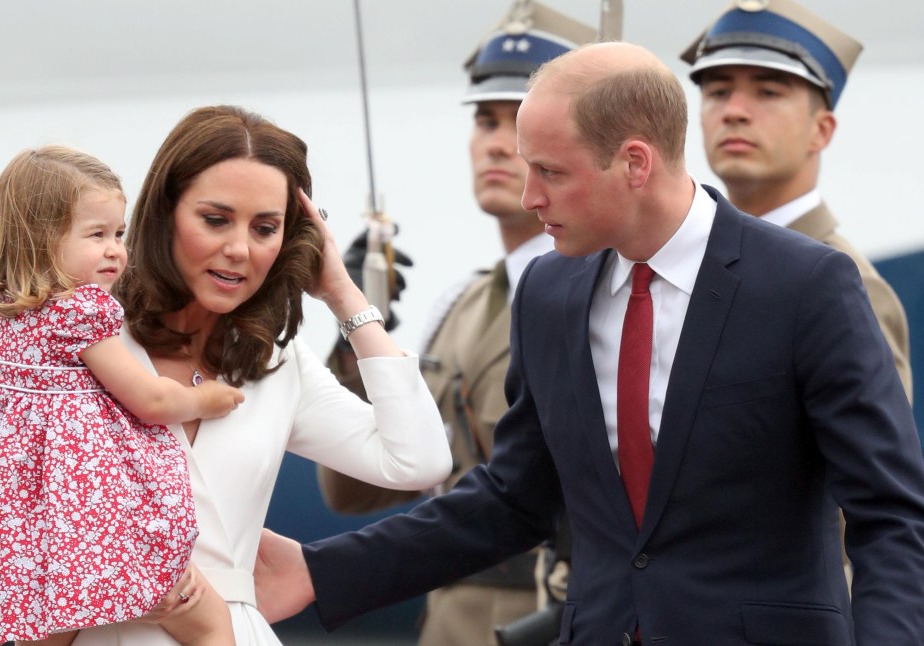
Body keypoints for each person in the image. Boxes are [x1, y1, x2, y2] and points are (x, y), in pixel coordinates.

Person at [253, 42, 924, 645]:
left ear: (634, 162)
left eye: (551, 171)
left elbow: (889, 512)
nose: (529, 195)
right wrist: (321, 570)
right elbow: (514, 499)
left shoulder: (807, 286)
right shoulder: (549, 292)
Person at [61, 104, 451, 645]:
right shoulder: (77, 341)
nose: (240, 249)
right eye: (215, 219)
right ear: (166, 214)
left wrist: (344, 295)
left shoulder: (276, 363)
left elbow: (418, 461)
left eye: (265, 228)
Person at [315, 3, 594, 644]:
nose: (498, 141)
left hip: (554, 615)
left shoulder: (608, 297)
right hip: (449, 619)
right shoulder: (459, 308)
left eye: (521, 121)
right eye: (485, 120)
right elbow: (356, 490)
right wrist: (358, 325)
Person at [0, 146, 245, 645]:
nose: (116, 249)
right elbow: (151, 401)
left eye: (119, 233)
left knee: (44, 633)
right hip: (95, 521)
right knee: (209, 623)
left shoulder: (3, 309)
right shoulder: (81, 312)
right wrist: (209, 400)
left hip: (30, 534)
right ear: (39, 240)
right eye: (96, 235)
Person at [681, 0, 912, 400]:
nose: (734, 111)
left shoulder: (849, 286)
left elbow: (874, 458)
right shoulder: (680, 263)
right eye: (718, 91)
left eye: (768, 92)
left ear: (821, 130)